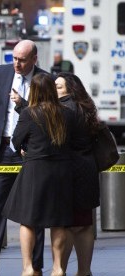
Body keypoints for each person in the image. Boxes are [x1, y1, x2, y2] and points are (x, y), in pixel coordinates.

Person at [0, 40, 46, 276]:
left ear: (34, 59)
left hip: (31, 154)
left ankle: (35, 266)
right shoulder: (1, 73)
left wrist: (23, 105)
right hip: (2, 151)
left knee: (35, 212)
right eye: (14, 58)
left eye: (22, 59)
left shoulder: (44, 80)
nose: (17, 63)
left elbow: (46, 116)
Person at [3, 73, 76, 276]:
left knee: (28, 221)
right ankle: (58, 267)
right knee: (59, 221)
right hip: (61, 172)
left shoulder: (29, 113)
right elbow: (74, 142)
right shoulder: (68, 113)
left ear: (34, 91)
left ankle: (28, 267)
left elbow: (16, 141)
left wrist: (26, 148)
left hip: (35, 171)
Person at [56, 72, 101, 276]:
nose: (54, 90)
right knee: (84, 224)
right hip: (88, 170)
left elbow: (57, 142)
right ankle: (84, 271)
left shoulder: (64, 109)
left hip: (70, 174)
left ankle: (60, 270)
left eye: (58, 87)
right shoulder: (87, 107)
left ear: (69, 89)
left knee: (66, 225)